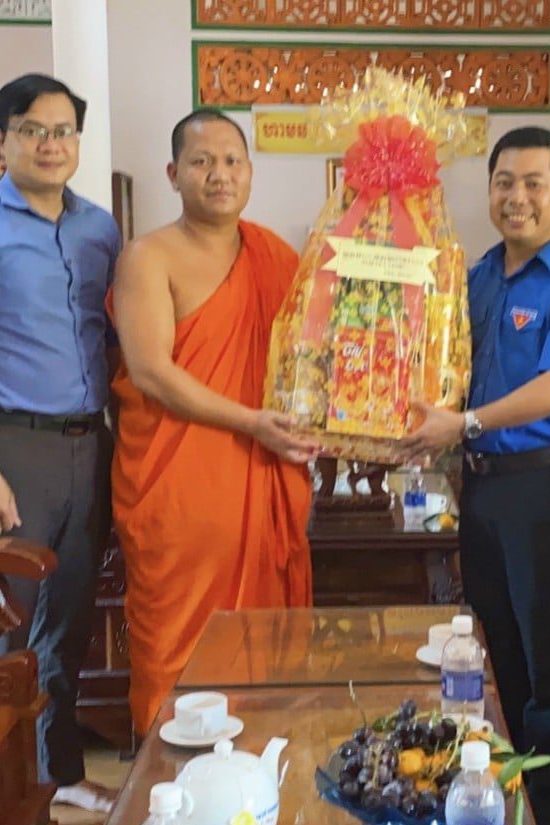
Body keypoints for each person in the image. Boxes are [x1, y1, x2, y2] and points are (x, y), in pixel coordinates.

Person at [401, 126, 550, 825]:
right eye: (504, 183)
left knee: (544, 640)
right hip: (483, 484)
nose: (516, 197)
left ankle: (545, 808)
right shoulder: (480, 276)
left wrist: (462, 423)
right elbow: (449, 370)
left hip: (542, 485)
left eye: (533, 184)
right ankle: (505, 774)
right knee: (496, 636)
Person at [0, 73, 122, 812]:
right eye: (33, 130)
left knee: (68, 620)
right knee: (9, 624)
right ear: (2, 139)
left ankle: (57, 776)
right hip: (12, 447)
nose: (50, 144)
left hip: (89, 445)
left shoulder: (99, 229)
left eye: (63, 130)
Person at [110, 109, 316, 735]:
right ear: (173, 174)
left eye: (232, 161)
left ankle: (257, 764)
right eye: (201, 162)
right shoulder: (147, 258)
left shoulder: (275, 256)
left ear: (250, 173)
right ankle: (169, 771)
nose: (218, 174)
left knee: (263, 637)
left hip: (265, 468)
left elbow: (312, 361)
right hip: (180, 479)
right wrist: (253, 422)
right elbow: (151, 372)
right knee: (179, 635)